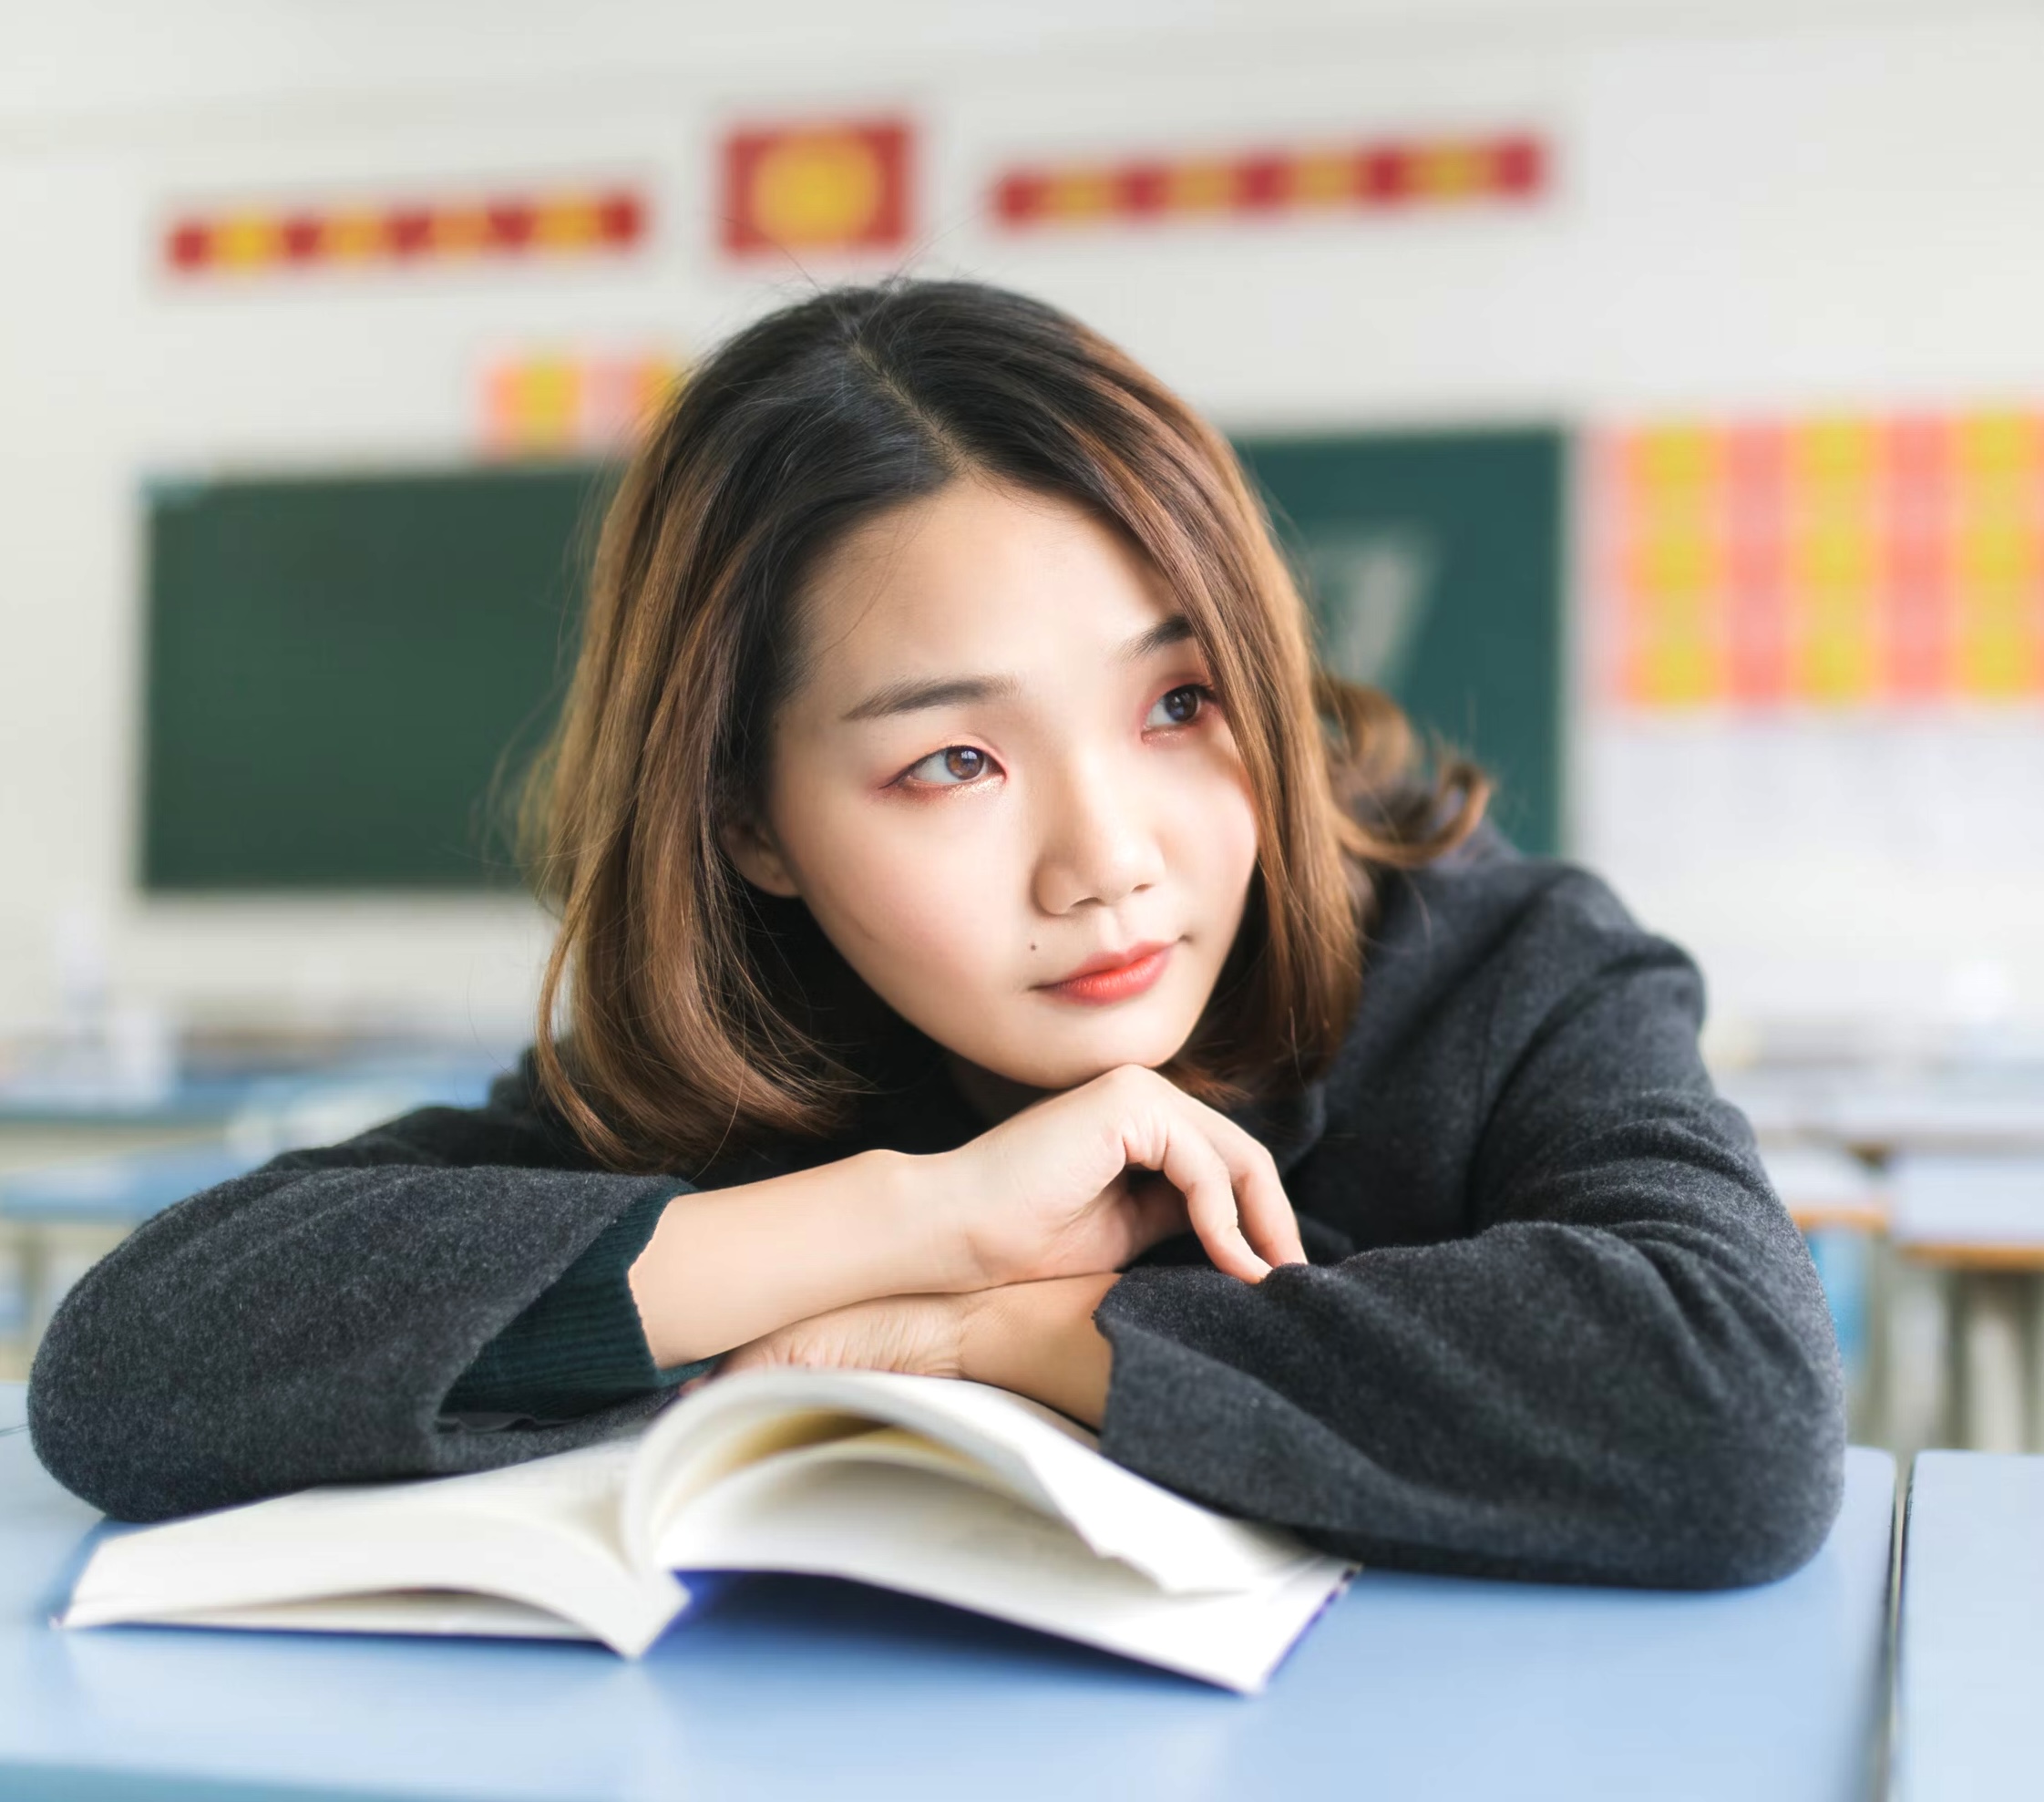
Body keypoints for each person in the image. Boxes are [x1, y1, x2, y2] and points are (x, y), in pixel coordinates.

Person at [28, 280, 1844, 1588]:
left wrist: (998, 1333)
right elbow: (132, 1366)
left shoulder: (1498, 968)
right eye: (955, 758)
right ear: (750, 819)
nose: (1109, 861)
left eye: (1180, 700)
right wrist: (907, 1213)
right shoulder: (764, 1054)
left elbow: (1735, 1413)